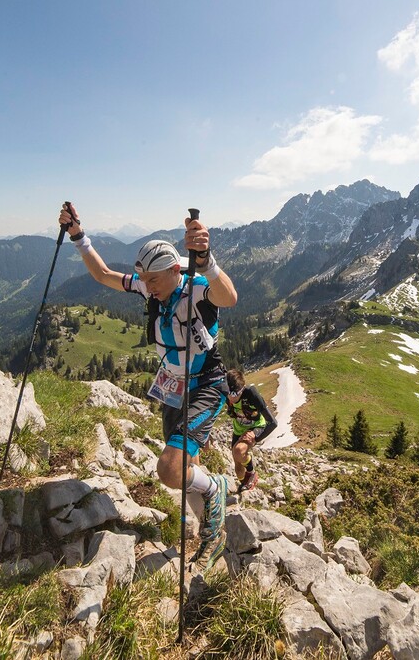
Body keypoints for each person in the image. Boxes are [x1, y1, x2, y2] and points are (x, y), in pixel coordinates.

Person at [58, 202, 238, 571]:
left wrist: (205, 259)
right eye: (144, 279)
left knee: (171, 470)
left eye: (154, 280)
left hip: (205, 383)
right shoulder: (148, 287)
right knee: (189, 464)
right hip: (174, 385)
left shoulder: (198, 288)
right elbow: (105, 275)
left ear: (176, 270)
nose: (148, 287)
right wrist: (79, 237)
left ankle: (217, 487)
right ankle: (212, 530)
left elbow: (229, 298)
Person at [226, 368, 277, 493]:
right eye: (228, 393)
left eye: (234, 394)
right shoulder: (225, 392)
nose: (231, 398)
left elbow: (273, 423)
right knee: (238, 468)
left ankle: (252, 473)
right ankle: (244, 483)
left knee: (238, 451)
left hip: (256, 427)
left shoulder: (251, 394)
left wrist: (255, 436)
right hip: (238, 429)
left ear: (242, 389)